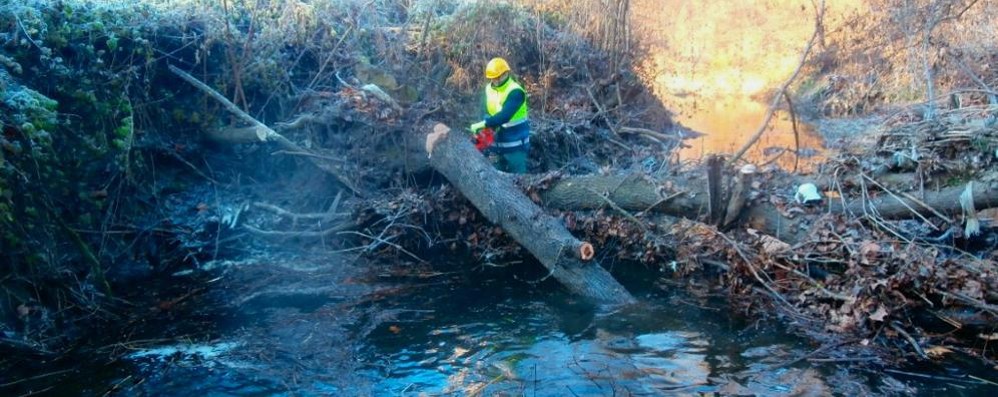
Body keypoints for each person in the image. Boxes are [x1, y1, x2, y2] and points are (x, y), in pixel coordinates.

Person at [469, 57, 530, 174]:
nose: (496, 80)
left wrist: (485, 123)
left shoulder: (515, 91)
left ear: (506, 73)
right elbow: (484, 110)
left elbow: (504, 116)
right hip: (496, 144)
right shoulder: (488, 89)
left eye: (499, 77)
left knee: (519, 178)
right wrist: (483, 128)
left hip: (515, 144)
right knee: (495, 177)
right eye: (493, 78)